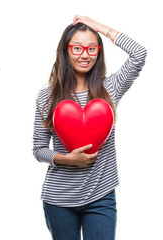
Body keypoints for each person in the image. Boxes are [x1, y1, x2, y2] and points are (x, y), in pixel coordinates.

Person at [33, 15, 147, 239]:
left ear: (98, 52)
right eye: (77, 48)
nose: (84, 54)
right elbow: (38, 149)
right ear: (65, 51)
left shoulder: (110, 88)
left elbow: (139, 54)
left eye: (91, 49)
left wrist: (97, 27)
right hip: (59, 200)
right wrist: (68, 159)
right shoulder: (47, 97)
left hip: (101, 196)